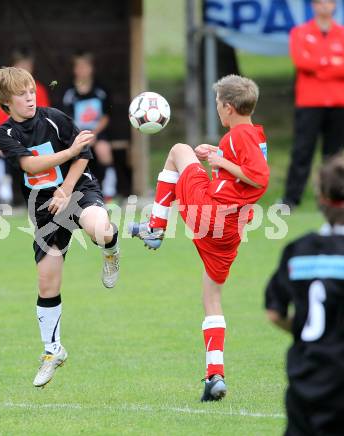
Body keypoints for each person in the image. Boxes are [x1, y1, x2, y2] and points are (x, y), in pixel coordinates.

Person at [129, 75, 270, 401]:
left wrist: (219, 160)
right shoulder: (249, 134)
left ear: (229, 108)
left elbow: (259, 179)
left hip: (212, 213)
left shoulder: (238, 136)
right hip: (230, 230)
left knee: (178, 150)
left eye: (219, 104)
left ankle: (155, 226)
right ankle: (214, 375)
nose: (217, 109)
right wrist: (219, 153)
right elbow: (244, 170)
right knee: (212, 298)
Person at [0, 66, 120, 388]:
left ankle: (111, 250)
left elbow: (83, 155)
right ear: (6, 102)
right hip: (45, 208)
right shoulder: (4, 134)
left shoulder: (55, 118)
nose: (30, 97)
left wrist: (66, 189)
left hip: (77, 190)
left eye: (31, 90)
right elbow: (31, 165)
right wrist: (69, 152)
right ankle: (53, 350)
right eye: (21, 94)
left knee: (100, 229)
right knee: (47, 281)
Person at [265, 153, 344, 435]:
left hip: (305, 378)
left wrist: (304, 329)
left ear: (321, 198)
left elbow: (274, 312)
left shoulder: (298, 251)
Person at [283, 0, 344, 209]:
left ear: (335, 6)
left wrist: (319, 64)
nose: (324, 6)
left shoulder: (341, 33)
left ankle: (331, 198)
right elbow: (302, 62)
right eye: (319, 2)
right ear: (313, 6)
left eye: (328, 1)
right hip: (309, 102)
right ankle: (291, 199)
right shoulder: (300, 32)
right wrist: (332, 62)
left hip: (338, 102)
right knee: (302, 151)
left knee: (333, 154)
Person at [0, 48, 51, 205]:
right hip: (13, 136)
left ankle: (44, 193)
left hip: (36, 136)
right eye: (21, 66)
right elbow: (1, 121)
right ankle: (4, 193)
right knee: (1, 148)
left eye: (28, 66)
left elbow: (44, 118)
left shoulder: (39, 89)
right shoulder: (4, 93)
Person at [62, 51, 117, 202]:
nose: (81, 70)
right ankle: (72, 192)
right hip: (77, 134)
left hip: (97, 133)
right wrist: (82, 136)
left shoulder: (100, 90)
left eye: (85, 66)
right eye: (78, 67)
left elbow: (106, 117)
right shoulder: (69, 93)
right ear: (74, 70)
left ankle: (109, 191)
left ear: (91, 68)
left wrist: (93, 133)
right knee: (71, 155)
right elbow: (67, 119)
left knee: (104, 150)